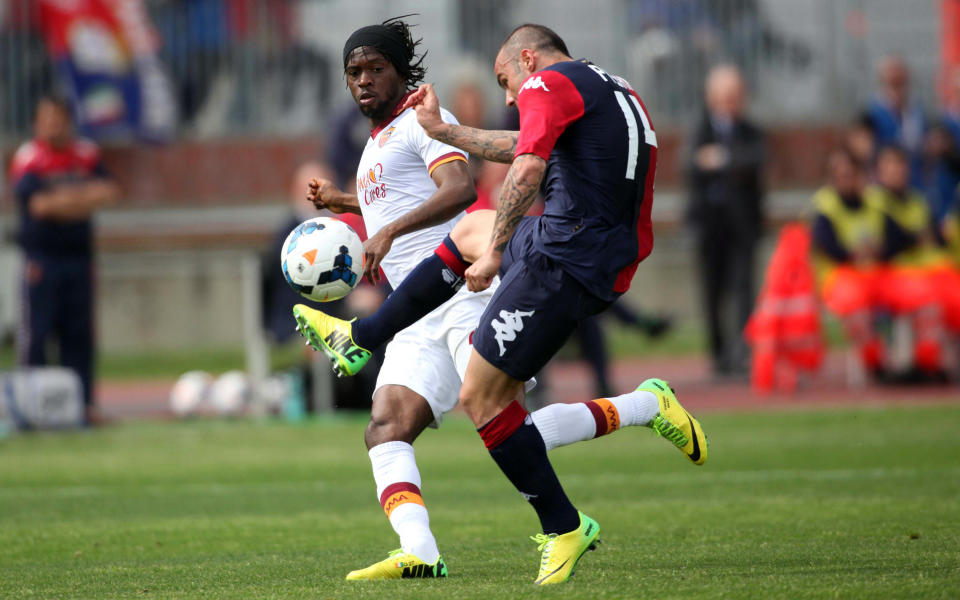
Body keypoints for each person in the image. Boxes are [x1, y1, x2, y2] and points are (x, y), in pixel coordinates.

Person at [294, 23, 708, 584]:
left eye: (506, 81)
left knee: (495, 411)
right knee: (387, 427)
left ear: (528, 59)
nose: (510, 97)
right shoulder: (612, 86)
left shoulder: (441, 118)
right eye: (354, 73)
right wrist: (349, 203)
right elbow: (521, 146)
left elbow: (480, 183)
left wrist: (485, 249)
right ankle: (419, 549)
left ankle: (627, 430)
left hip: (484, 285)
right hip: (433, 302)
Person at [9, 96, 120, 425]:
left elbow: (110, 191)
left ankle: (82, 406)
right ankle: (30, 409)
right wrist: (81, 200)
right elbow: (39, 207)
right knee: (38, 336)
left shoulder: (85, 154)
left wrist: (62, 201)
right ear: (36, 124)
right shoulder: (30, 158)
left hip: (79, 259)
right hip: (42, 261)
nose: (53, 125)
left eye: (58, 118)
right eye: (47, 119)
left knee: (80, 335)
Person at [685, 64, 765, 376]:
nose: (730, 103)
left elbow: (754, 159)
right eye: (724, 96)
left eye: (735, 96)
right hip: (709, 225)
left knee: (744, 290)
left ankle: (742, 353)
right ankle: (718, 355)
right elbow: (690, 163)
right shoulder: (700, 129)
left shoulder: (751, 131)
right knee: (712, 292)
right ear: (711, 98)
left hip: (742, 225)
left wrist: (721, 159)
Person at [810, 149, 888, 378]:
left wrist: (879, 250)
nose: (847, 180)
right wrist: (858, 253)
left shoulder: (876, 202)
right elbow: (830, 249)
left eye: (851, 174)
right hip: (839, 277)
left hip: (876, 273)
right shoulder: (825, 207)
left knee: (923, 300)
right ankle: (876, 364)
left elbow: (895, 239)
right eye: (840, 175)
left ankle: (926, 365)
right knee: (857, 309)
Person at [861, 56, 928, 191]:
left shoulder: (917, 111)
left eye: (900, 80)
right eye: (892, 80)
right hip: (883, 186)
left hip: (914, 183)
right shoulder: (872, 112)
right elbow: (864, 149)